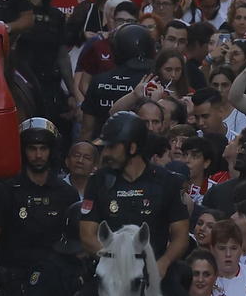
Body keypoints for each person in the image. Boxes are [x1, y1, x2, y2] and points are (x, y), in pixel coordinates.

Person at [79, 111, 190, 280]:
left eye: (112, 147)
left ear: (132, 148)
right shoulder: (98, 181)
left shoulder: (167, 182)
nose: (106, 153)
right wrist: (115, 261)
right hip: (111, 270)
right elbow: (87, 235)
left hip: (155, 270)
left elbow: (181, 236)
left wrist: (164, 262)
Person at [0, 118, 85, 296]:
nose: (38, 155)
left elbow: (77, 244)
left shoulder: (68, 194)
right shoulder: (7, 191)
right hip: (13, 283)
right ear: (23, 151)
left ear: (52, 151)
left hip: (55, 282)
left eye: (44, 148)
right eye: (32, 149)